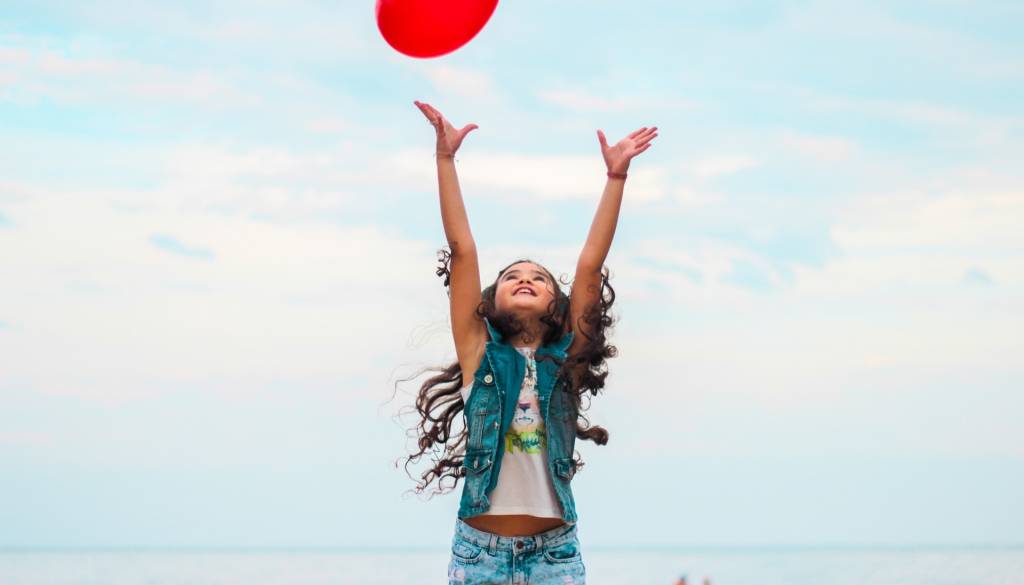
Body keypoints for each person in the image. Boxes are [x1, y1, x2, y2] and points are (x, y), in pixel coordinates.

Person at [403, 100, 657, 584]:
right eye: (512, 276)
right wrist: (445, 159)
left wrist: (616, 177)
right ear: (490, 302)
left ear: (558, 305)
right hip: (479, 554)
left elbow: (589, 266)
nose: (525, 279)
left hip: (554, 555)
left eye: (539, 278)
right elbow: (462, 251)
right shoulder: (480, 358)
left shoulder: (567, 362)